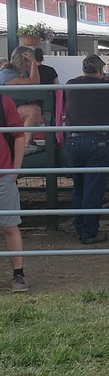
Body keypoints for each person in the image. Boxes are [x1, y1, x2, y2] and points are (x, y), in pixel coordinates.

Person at [63, 54, 109, 244]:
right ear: (100, 71)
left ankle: (80, 226)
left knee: (79, 188)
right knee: (93, 189)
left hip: (73, 141)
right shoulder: (108, 87)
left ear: (84, 69)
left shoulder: (72, 85)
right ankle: (89, 232)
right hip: (98, 141)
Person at [0, 92, 28, 292]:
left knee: (10, 226)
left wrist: (14, 170)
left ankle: (19, 274)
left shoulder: (3, 102)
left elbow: (19, 135)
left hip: (3, 175)